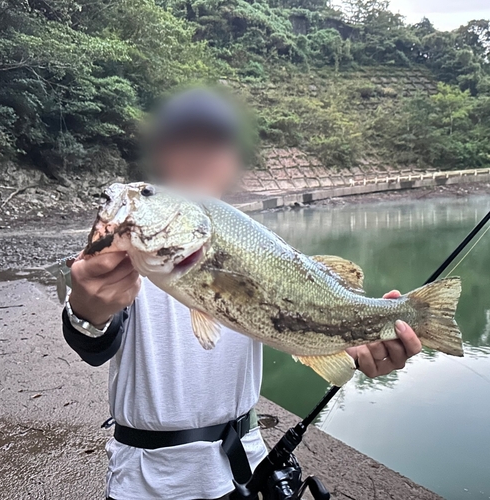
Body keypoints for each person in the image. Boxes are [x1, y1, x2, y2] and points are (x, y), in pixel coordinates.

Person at [62, 88, 422, 500]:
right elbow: (93, 340)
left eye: (215, 143)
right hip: (145, 479)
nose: (199, 155)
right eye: (183, 141)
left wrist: (358, 347)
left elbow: (298, 323)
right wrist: (87, 305)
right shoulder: (126, 253)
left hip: (240, 468)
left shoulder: (257, 245)